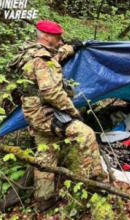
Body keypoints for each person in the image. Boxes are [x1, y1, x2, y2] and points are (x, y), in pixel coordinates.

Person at [9, 20, 103, 212]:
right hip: (46, 114)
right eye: (57, 37)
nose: (60, 41)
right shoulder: (41, 60)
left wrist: (72, 47)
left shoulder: (31, 53)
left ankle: (44, 199)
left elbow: (56, 56)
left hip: (33, 114)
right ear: (46, 37)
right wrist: (73, 111)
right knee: (86, 134)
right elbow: (51, 93)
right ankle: (91, 186)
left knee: (46, 152)